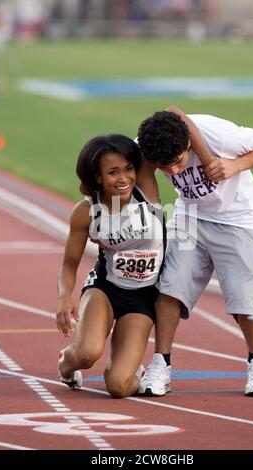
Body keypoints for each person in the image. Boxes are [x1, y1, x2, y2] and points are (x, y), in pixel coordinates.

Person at [137, 106, 253, 398]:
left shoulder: (222, 136)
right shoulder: (149, 142)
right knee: (170, 289)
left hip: (238, 219)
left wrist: (235, 166)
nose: (173, 172)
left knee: (244, 300)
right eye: (164, 167)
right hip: (190, 216)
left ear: (188, 142)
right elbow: (169, 114)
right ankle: (161, 363)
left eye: (177, 162)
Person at [56, 133, 165, 398]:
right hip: (105, 288)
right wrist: (64, 297)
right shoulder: (86, 211)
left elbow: (165, 121)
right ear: (97, 176)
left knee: (118, 386)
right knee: (87, 354)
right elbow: (70, 263)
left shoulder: (145, 190)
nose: (124, 178)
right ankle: (66, 363)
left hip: (142, 296)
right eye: (113, 172)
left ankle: (132, 368)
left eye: (128, 169)